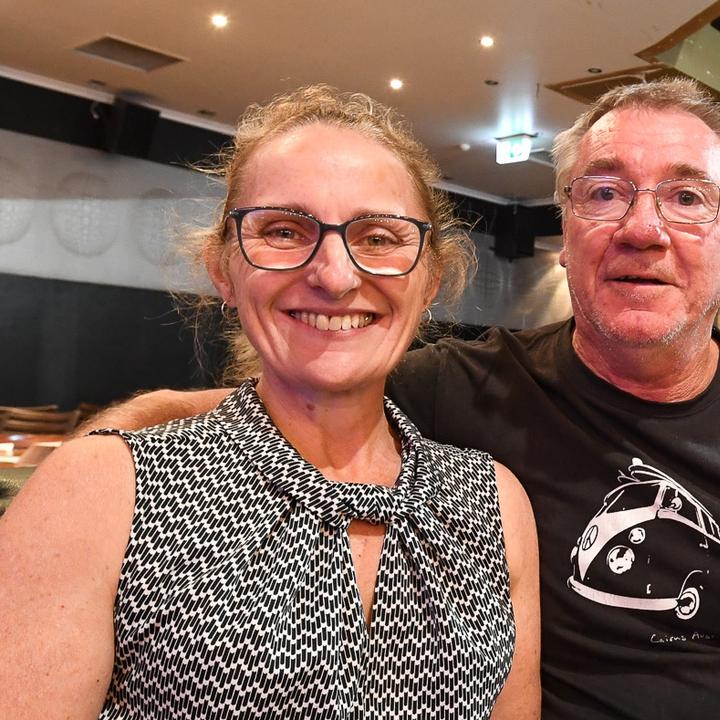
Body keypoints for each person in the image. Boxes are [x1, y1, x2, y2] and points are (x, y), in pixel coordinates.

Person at [80, 78, 720, 719]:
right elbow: (249, 417)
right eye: (604, 192)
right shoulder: (449, 391)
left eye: (686, 198)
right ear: (566, 232)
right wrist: (93, 471)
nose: (641, 228)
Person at [0, 86, 539, 719]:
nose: (335, 276)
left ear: (431, 281)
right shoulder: (100, 491)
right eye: (284, 230)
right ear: (223, 270)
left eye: (379, 237)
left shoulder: (492, 503)